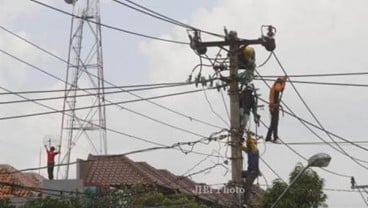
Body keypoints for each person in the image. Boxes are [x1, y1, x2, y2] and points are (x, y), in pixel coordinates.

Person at [265, 76, 287, 143]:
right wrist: (283, 83)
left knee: (274, 123)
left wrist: (283, 83)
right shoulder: (278, 83)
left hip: (275, 106)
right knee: (274, 122)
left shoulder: (277, 83)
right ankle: (274, 137)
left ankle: (270, 137)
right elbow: (278, 89)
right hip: (273, 106)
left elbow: (280, 89)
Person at [241, 133, 261, 205]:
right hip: (249, 171)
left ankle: (246, 203)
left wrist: (247, 133)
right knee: (239, 173)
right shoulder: (249, 151)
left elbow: (250, 142)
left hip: (253, 172)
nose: (248, 145)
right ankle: (240, 185)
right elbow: (241, 147)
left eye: (249, 144)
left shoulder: (255, 150)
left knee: (247, 186)